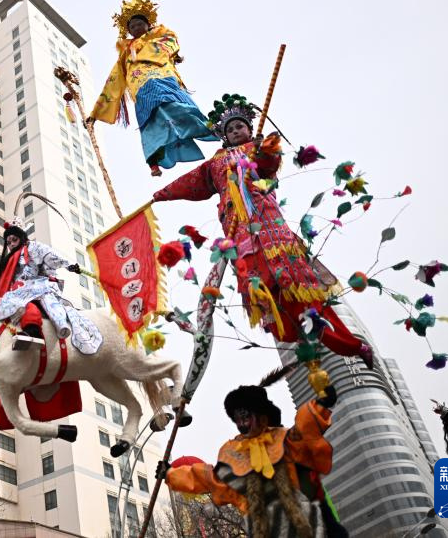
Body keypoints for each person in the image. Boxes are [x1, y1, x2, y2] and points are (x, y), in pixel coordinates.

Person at [151, 93, 373, 368]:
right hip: (237, 228)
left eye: (240, 126)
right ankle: (304, 331)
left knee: (295, 286)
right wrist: (161, 194)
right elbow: (192, 182)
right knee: (264, 289)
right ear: (224, 136)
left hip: (266, 221)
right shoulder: (215, 162)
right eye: (230, 129)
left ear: (249, 128)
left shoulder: (257, 148)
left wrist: (266, 150)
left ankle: (347, 342)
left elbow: (269, 165)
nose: (235, 131)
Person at [158, 383, 348, 538]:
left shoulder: (282, 439)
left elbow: (305, 429)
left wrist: (321, 405)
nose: (242, 422)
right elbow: (209, 478)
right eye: (237, 417)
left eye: (246, 415)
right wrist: (171, 474)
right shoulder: (233, 453)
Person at [86, 0, 217, 176]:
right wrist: (95, 114)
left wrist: (145, 51)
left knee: (174, 105)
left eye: (139, 24)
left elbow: (171, 43)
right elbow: (113, 81)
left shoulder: (161, 35)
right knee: (150, 119)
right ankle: (153, 161)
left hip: (162, 77)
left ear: (148, 24)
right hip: (140, 88)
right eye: (132, 26)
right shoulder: (125, 53)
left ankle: (208, 126)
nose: (136, 28)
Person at [0, 217, 100, 353]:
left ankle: (34, 333)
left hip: (39, 286)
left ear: (21, 238)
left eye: (14, 240)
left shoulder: (33, 247)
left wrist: (68, 265)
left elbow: (49, 255)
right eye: (8, 242)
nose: (12, 244)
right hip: (19, 291)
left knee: (27, 304)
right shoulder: (9, 260)